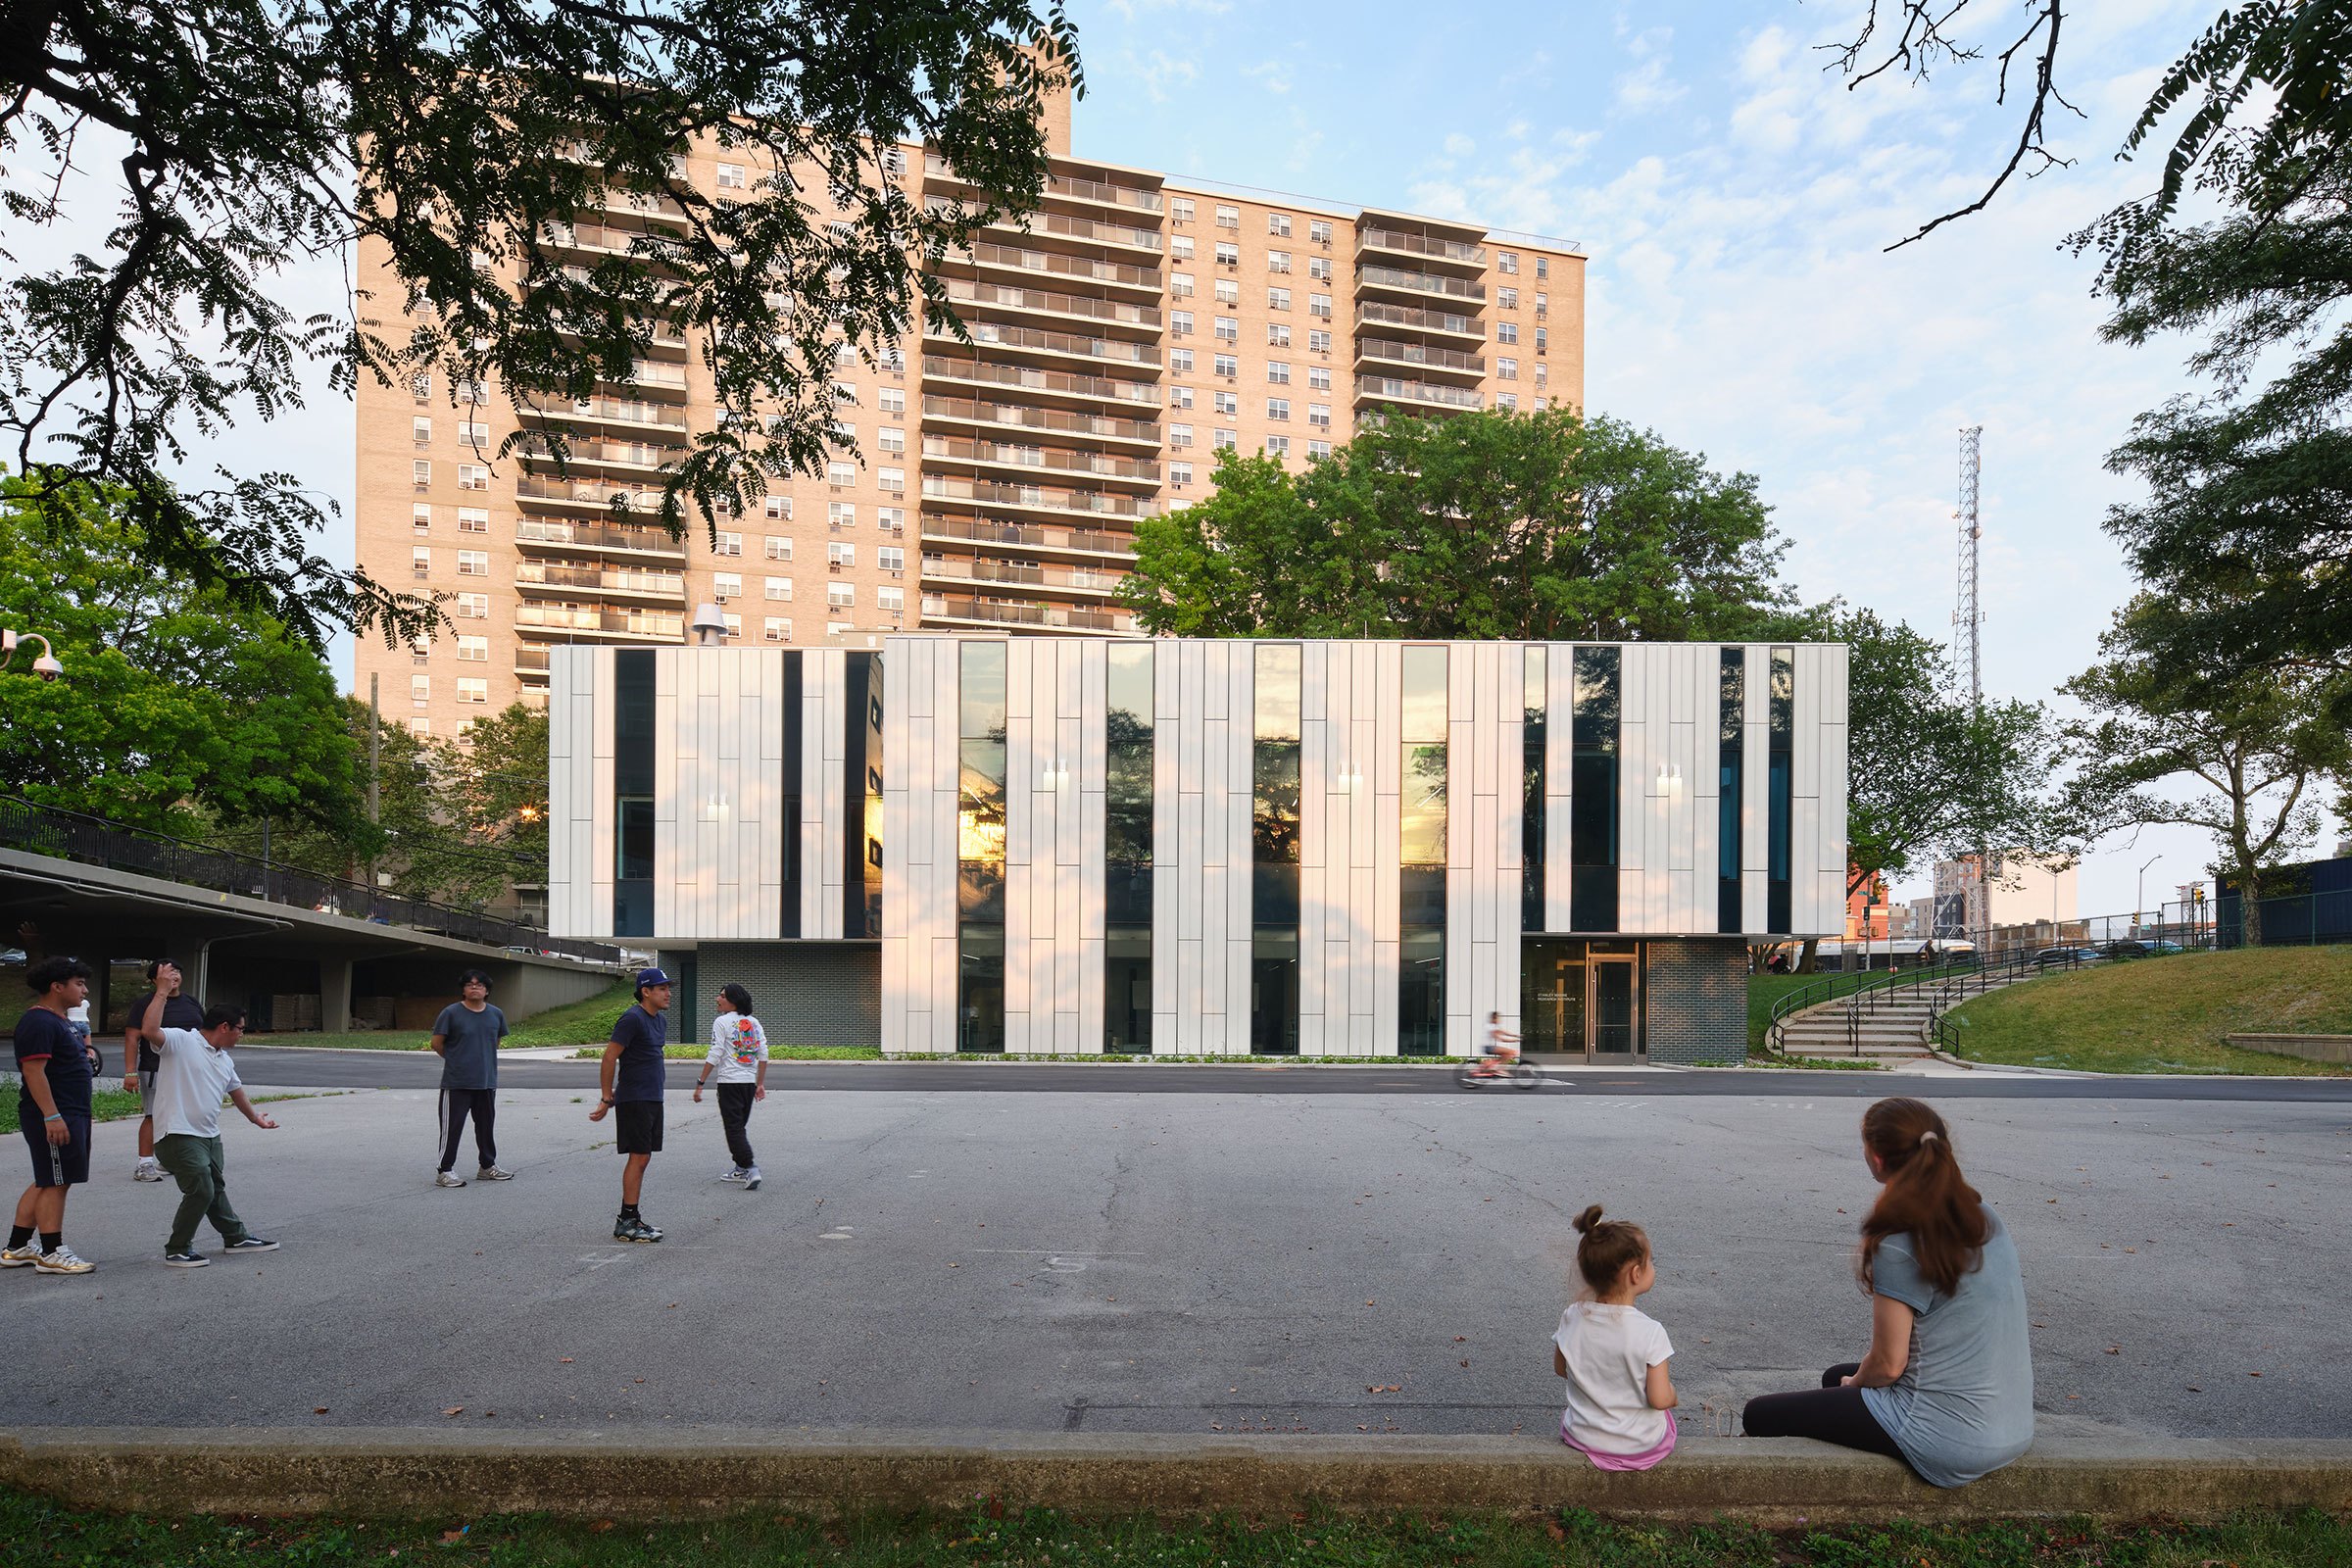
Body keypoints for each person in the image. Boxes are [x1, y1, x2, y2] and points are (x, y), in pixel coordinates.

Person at [1742, 1097, 2034, 1488]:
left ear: (1877, 1160)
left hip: (1951, 1439)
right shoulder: (1983, 1217)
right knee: (1835, 1377)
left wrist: (1856, 1384)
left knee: (1759, 1414)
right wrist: (1852, 1382)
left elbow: (1888, 1364)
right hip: (2011, 1427)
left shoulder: (1900, 1240)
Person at [137, 1003, 280, 1267]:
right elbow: (148, 1030)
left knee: (215, 1188)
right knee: (202, 1190)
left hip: (209, 1136)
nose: (241, 1034)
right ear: (224, 1027)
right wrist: (162, 992)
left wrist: (255, 1118)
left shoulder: (223, 1059)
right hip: (178, 1133)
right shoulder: (182, 1041)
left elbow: (236, 1091)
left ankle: (235, 1238)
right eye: (240, 1029)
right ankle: (178, 1249)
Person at [1552, 1204, 1678, 1470]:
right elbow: (1659, 1399)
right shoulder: (1651, 1332)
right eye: (1650, 1260)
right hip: (1639, 1445)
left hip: (1582, 1437)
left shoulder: (1571, 1317)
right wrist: (1673, 1396)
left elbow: (1561, 1369)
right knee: (1665, 1417)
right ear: (1636, 1273)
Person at [5, 956, 100, 1274]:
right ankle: (52, 1252)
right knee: (56, 1182)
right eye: (79, 984)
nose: (85, 990)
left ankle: (17, 1247)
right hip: (55, 1114)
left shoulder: (60, 1020)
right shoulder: (39, 1022)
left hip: (70, 1111)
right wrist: (51, 1116)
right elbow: (34, 1071)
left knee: (50, 1178)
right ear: (57, 987)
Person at [589, 967, 672, 1243]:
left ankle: (631, 1218)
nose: (668, 993)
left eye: (668, 988)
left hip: (652, 1096)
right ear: (645, 991)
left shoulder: (659, 1020)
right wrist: (606, 1096)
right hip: (635, 1098)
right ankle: (627, 1221)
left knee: (644, 1157)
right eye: (662, 988)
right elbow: (609, 1056)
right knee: (638, 1157)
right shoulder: (632, 1018)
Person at [122, 957, 204, 1183]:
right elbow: (131, 1039)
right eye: (167, 972)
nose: (173, 976)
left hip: (188, 1070)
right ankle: (144, 1164)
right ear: (154, 980)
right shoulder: (145, 1004)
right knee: (153, 1115)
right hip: (155, 1069)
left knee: (185, 1114)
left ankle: (170, 1160)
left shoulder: (192, 1002)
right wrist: (130, 1072)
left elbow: (202, 1036)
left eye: (176, 971)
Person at [428, 968, 512, 1188]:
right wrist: (457, 1060)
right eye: (469, 984)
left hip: (486, 1081)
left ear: (487, 991)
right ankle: (445, 1170)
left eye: (479, 984)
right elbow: (436, 1043)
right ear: (463, 990)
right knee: (452, 1128)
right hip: (457, 1082)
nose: (474, 987)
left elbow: (495, 1042)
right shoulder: (451, 1013)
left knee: (486, 1126)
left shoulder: (496, 1014)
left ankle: (487, 1166)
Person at [692, 983, 768, 1191]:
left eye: (723, 996)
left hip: (729, 1083)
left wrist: (700, 1082)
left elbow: (715, 1052)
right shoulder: (754, 1022)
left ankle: (750, 1167)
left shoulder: (722, 1022)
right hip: (748, 1084)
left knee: (733, 1129)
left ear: (734, 1001)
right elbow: (763, 1054)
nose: (718, 999)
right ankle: (740, 1168)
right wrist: (760, 1083)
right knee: (739, 1127)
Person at [1473, 1010, 1522, 1078]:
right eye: (1498, 1018)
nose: (1499, 1020)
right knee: (1511, 1052)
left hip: (1489, 1047)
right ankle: (1500, 1070)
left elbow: (1503, 1032)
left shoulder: (1494, 1026)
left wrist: (1516, 1035)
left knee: (1506, 1054)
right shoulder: (1490, 1026)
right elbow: (1500, 1039)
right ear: (1494, 1018)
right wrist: (1514, 1040)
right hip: (1488, 1047)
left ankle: (1492, 1067)